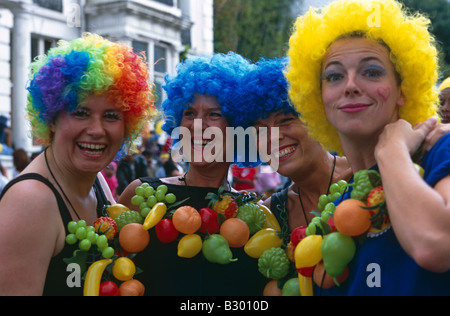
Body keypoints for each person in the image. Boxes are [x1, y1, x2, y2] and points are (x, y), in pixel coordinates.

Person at [286, 0, 450, 295]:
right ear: (319, 96)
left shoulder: (441, 150)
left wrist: (391, 151)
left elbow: (436, 243)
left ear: (403, 90)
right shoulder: (336, 214)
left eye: (371, 72)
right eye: (334, 76)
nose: (350, 85)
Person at [0, 33, 153, 296]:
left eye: (111, 115)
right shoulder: (30, 202)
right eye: (80, 112)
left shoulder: (96, 180)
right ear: (51, 119)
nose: (96, 129)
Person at [118, 52, 267, 296]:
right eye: (189, 113)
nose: (197, 124)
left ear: (239, 126)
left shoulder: (253, 215)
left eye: (214, 114)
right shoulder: (142, 194)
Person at [233, 58, 353, 238]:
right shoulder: (269, 214)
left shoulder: (366, 176)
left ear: (316, 118)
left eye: (285, 120)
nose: (274, 137)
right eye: (260, 130)